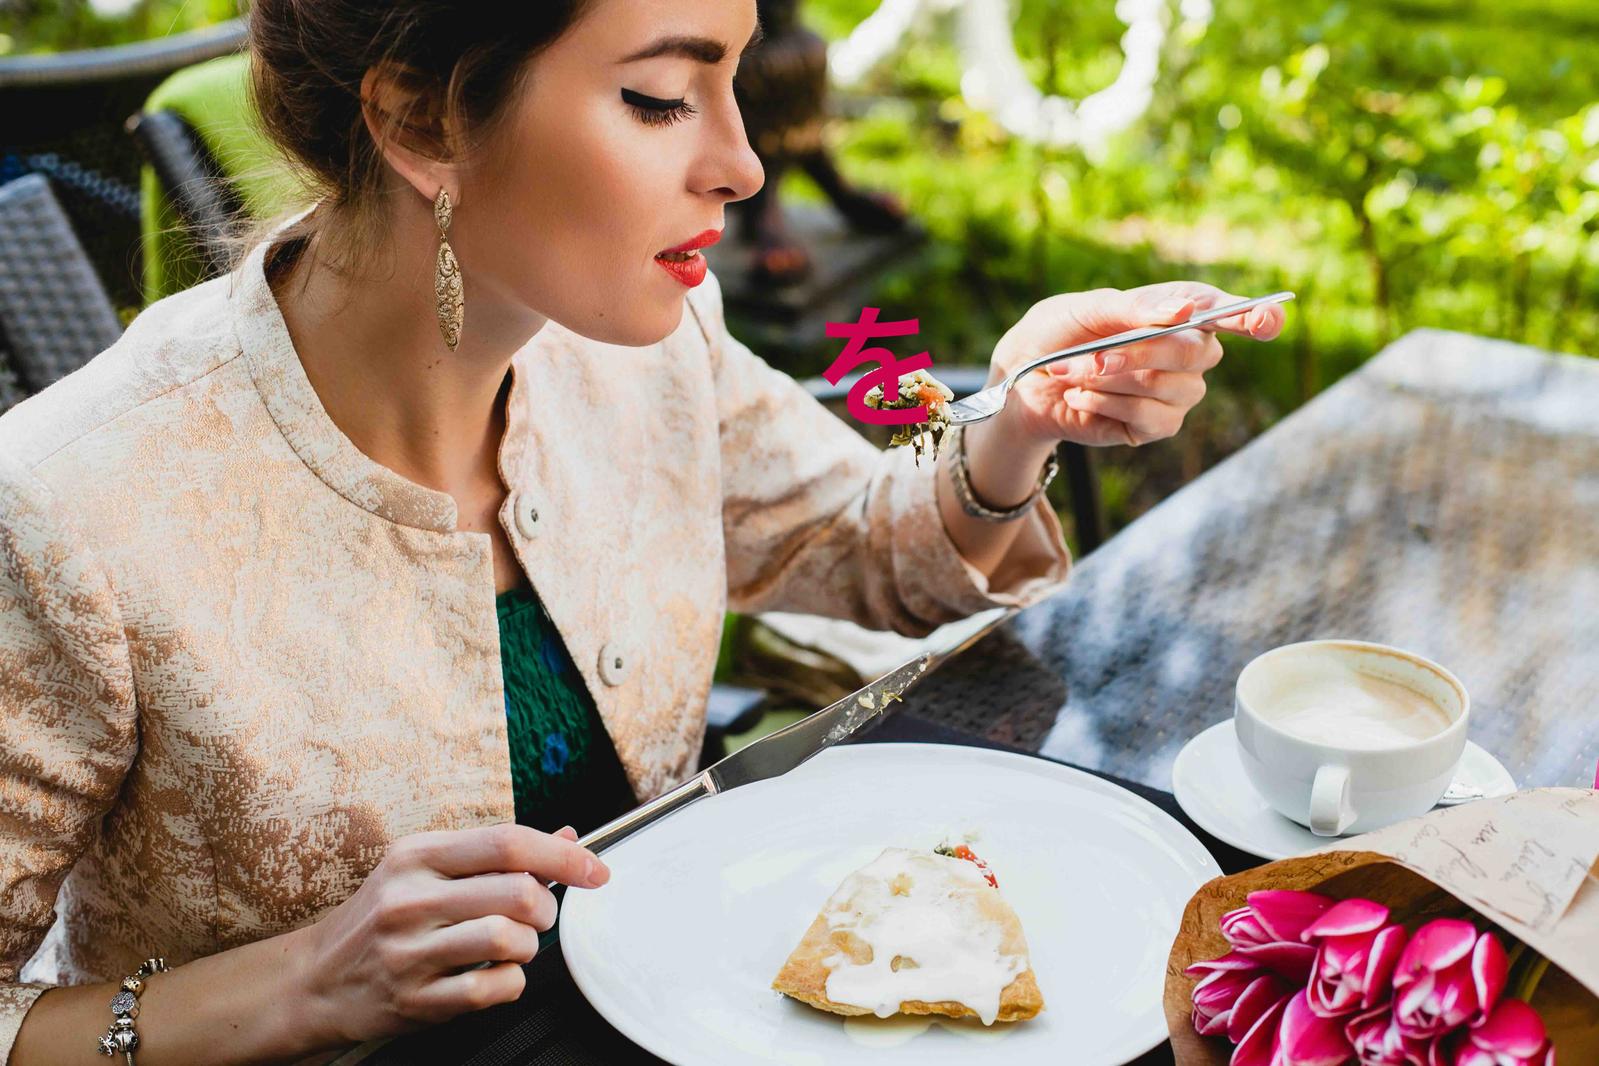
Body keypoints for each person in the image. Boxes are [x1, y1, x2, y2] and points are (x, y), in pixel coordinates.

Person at [0, 1, 1285, 1062]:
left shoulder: (650, 346)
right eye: (664, 99)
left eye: (730, 82)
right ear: (419, 122)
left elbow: (857, 540)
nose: (744, 165)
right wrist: (292, 986)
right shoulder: (74, 507)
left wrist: (1014, 417)